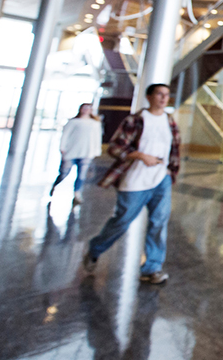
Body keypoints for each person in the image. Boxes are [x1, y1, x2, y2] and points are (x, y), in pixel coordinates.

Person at [82, 83, 180, 285]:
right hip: (135, 180)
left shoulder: (170, 121)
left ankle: (152, 268)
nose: (163, 98)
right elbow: (115, 148)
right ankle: (95, 249)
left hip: (161, 179)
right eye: (159, 94)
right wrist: (139, 155)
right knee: (122, 221)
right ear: (149, 96)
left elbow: (175, 149)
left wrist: (170, 172)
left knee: (158, 223)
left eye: (166, 95)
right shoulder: (135, 120)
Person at [50, 103, 102, 204]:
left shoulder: (95, 123)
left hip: (87, 152)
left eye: (89, 108)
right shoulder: (73, 122)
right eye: (85, 108)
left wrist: (96, 151)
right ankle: (55, 186)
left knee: (81, 175)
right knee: (64, 172)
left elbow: (97, 138)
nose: (86, 110)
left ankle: (77, 194)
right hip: (72, 151)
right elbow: (65, 135)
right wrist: (62, 147)